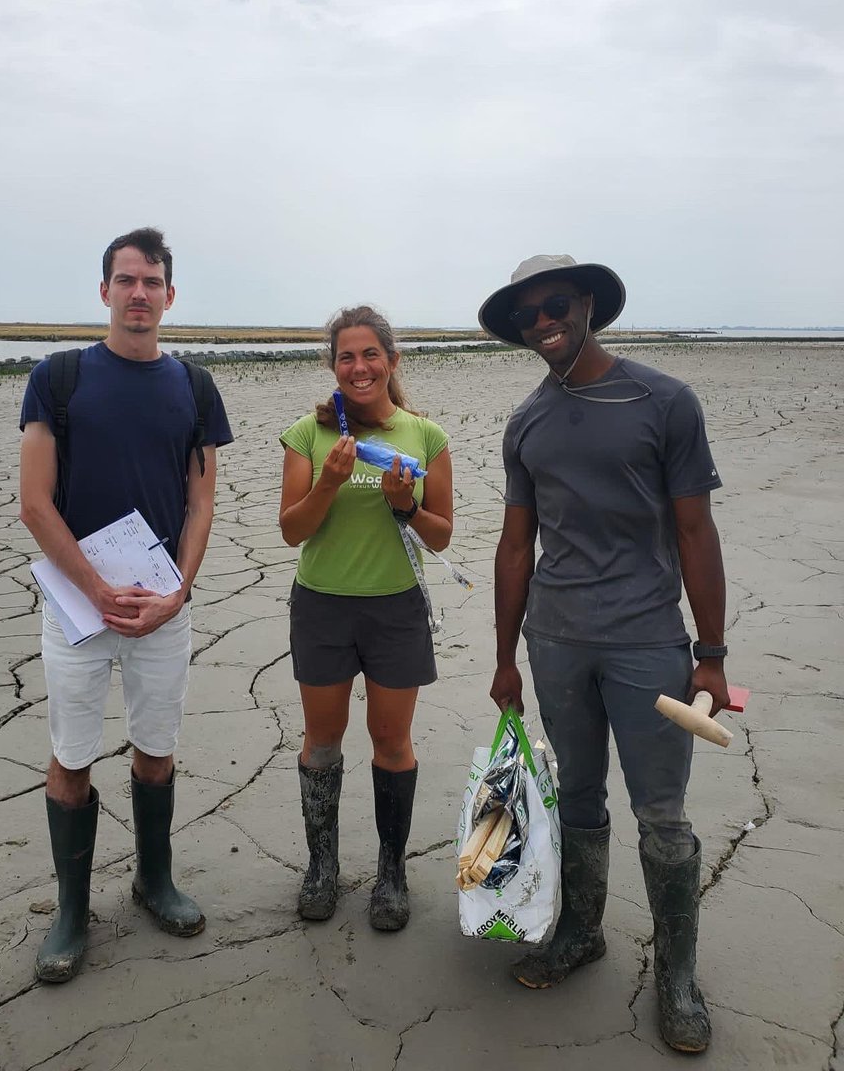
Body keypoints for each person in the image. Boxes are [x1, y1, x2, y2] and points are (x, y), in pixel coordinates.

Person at [478, 255, 728, 1054]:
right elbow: (517, 545)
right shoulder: (527, 422)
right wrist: (505, 655)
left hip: (649, 641)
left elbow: (695, 531)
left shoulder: (664, 401)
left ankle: (678, 977)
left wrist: (712, 654)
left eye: (556, 305)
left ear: (588, 305)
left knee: (663, 814)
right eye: (528, 315)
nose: (543, 321)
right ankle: (582, 931)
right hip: (555, 642)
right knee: (578, 796)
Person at [19, 227, 233, 982]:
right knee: (72, 754)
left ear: (169, 296)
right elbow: (35, 504)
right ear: (104, 291)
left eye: (152, 282)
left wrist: (178, 591)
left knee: (156, 746)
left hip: (160, 610)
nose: (138, 294)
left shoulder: (195, 387)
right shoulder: (60, 377)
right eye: (125, 280)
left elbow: (201, 501)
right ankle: (72, 913)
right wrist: (95, 588)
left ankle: (155, 880)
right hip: (78, 608)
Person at [278, 305, 453, 931]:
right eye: (346, 357)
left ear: (391, 361)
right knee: (322, 741)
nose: (359, 367)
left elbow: (442, 538)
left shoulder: (424, 437)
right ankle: (322, 868)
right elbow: (291, 530)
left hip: (395, 608)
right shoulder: (308, 434)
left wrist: (406, 505)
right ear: (334, 366)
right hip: (322, 605)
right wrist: (328, 482)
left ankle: (391, 873)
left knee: (391, 741)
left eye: (370, 355)